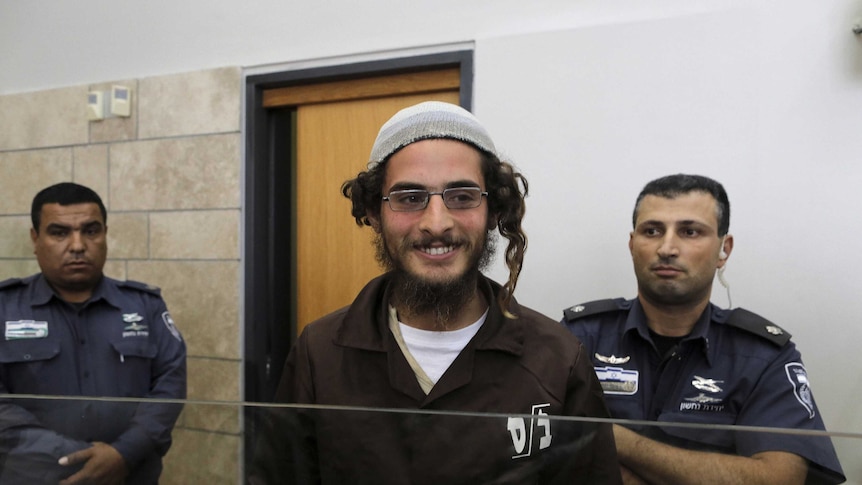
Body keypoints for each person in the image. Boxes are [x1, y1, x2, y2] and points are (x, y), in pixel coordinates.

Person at [250, 101, 621, 484]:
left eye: (462, 197)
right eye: (410, 198)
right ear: (375, 214)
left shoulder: (557, 359)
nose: (437, 223)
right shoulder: (321, 351)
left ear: (494, 211)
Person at [563, 173, 845, 485]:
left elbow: (778, 479)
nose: (667, 248)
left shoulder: (763, 358)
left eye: (690, 232)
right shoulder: (579, 337)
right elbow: (536, 452)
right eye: (652, 231)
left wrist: (613, 439)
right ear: (632, 245)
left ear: (724, 249)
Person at [0, 182, 186, 484]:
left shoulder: (144, 305)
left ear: (105, 234)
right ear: (35, 239)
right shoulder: (5, 308)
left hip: (128, 475)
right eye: (59, 232)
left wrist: (123, 454)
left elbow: (170, 386)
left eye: (90, 230)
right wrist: (79, 459)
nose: (77, 245)